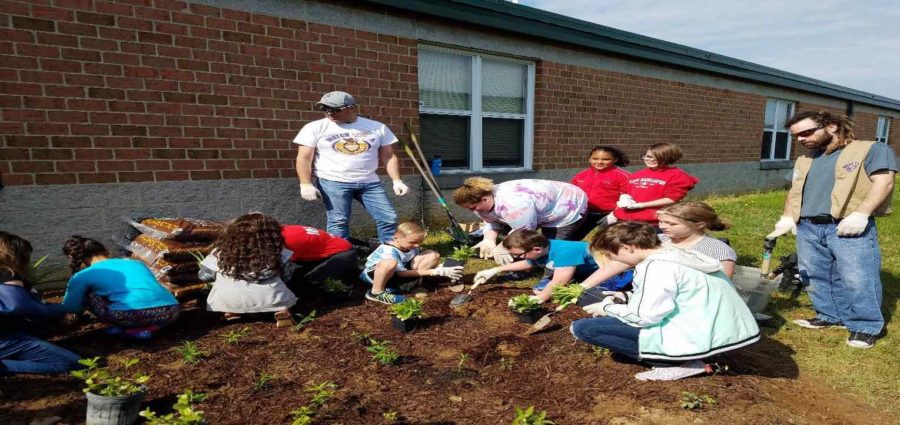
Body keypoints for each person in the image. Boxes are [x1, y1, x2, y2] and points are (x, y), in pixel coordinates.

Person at [766, 111, 896, 349]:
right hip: (808, 226)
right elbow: (795, 190)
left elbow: (884, 182)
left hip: (847, 224)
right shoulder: (806, 159)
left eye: (806, 132)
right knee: (814, 274)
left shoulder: (871, 150)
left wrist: (861, 213)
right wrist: (787, 217)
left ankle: (865, 327)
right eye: (796, 136)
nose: (801, 139)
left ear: (832, 127)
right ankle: (829, 315)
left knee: (858, 277)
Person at [571, 222, 759, 381]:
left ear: (627, 248)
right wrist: (625, 297)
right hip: (726, 329)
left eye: (611, 255)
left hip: (699, 335)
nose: (612, 260)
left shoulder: (657, 267)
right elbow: (679, 293)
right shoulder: (677, 253)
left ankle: (678, 363)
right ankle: (684, 356)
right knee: (613, 326)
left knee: (583, 328)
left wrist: (607, 307)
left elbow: (645, 317)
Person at [293, 91, 409, 243]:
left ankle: (389, 254)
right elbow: (304, 157)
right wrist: (305, 183)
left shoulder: (377, 128)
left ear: (352, 108)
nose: (330, 113)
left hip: (369, 183)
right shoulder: (314, 127)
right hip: (333, 181)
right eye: (325, 109)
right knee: (338, 222)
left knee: (388, 217)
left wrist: (397, 180)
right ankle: (340, 258)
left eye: (335, 109)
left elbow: (388, 156)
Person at [61, 236, 181, 339]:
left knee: (87, 292)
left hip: (129, 316)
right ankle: (151, 327)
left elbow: (70, 306)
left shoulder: (82, 275)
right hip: (171, 312)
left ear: (75, 259)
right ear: (105, 250)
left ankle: (126, 329)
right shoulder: (135, 263)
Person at [452, 177, 588, 264]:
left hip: (567, 204)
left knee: (550, 246)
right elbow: (491, 220)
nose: (473, 211)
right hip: (541, 204)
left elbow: (524, 232)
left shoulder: (514, 204)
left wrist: (502, 246)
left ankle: (552, 274)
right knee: (525, 245)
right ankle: (525, 264)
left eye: (473, 207)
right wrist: (489, 239)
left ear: (485, 199)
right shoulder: (483, 201)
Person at [472, 230, 633, 303]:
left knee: (587, 297)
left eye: (517, 255)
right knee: (541, 289)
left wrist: (538, 300)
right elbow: (529, 262)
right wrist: (496, 269)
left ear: (536, 249)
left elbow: (558, 282)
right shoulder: (543, 249)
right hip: (578, 273)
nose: (515, 258)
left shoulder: (564, 252)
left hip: (614, 272)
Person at [1, 232, 81, 375]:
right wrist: (62, 309)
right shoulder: (7, 273)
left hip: (8, 333)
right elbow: (17, 306)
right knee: (71, 363)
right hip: (6, 338)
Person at [200, 213, 298, 328]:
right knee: (284, 296)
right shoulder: (278, 253)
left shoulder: (220, 253)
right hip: (273, 299)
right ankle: (282, 311)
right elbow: (287, 276)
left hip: (226, 300)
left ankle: (231, 312)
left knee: (226, 291)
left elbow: (204, 276)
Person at [360, 222, 463, 305]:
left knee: (433, 255)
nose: (416, 245)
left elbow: (416, 261)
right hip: (374, 276)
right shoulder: (389, 251)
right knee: (390, 263)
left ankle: (416, 284)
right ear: (396, 237)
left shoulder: (409, 246)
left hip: (397, 272)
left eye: (419, 242)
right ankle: (376, 292)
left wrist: (440, 267)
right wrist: (434, 271)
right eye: (412, 242)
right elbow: (401, 273)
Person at [610, 143, 698, 227]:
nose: (650, 160)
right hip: (625, 218)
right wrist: (622, 201)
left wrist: (641, 205)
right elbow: (627, 192)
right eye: (648, 156)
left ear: (669, 158)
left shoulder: (677, 175)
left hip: (652, 221)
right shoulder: (637, 174)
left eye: (657, 158)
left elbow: (672, 199)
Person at [657, 202, 736, 278]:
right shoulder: (656, 240)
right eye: (660, 221)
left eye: (672, 224)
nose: (662, 226)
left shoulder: (718, 250)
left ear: (699, 225)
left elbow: (722, 284)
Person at [569, 146, 631, 240]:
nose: (599, 162)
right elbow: (571, 192)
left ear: (615, 159)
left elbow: (629, 198)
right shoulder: (582, 175)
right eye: (595, 159)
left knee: (611, 241)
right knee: (572, 238)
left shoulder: (623, 176)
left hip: (609, 214)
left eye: (605, 159)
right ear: (590, 159)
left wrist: (615, 214)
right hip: (585, 213)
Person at [281, 224, 359, 289]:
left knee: (305, 284)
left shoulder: (287, 240)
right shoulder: (285, 230)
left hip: (341, 255)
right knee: (298, 277)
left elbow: (284, 270)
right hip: (337, 252)